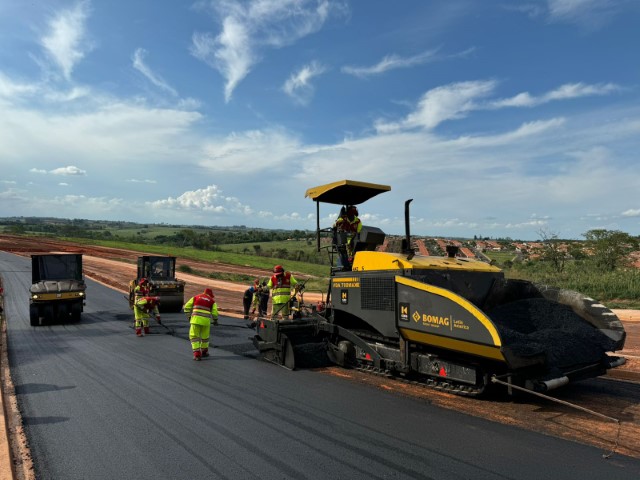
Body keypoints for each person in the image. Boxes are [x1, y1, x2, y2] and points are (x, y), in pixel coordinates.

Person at [183, 288, 218, 361]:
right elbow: (214, 312)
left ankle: (197, 354)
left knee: (194, 336)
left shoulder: (195, 297)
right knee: (205, 337)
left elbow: (186, 307)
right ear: (210, 295)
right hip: (206, 322)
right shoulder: (212, 301)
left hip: (195, 320)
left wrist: (189, 316)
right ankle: (204, 352)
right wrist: (215, 320)